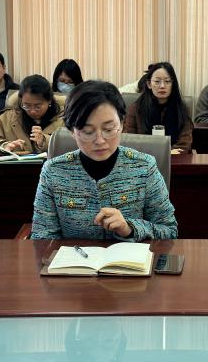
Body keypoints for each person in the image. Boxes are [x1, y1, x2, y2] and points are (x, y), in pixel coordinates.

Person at [31, 80, 178, 241]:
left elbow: (169, 231)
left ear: (121, 124)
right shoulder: (53, 172)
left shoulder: (144, 167)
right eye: (87, 131)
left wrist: (130, 229)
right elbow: (42, 238)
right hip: (74, 257)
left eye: (108, 129)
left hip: (129, 257)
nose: (100, 140)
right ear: (72, 131)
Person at [0, 74, 64, 158]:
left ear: (49, 101)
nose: (32, 111)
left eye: (38, 106)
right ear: (21, 100)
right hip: (15, 167)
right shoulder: (7, 118)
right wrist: (4, 146)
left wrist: (45, 141)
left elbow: (71, 147)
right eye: (26, 105)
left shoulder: (64, 119)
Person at [123, 62, 193, 153]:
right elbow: (129, 141)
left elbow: (184, 143)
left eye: (167, 81)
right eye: (157, 81)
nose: (162, 86)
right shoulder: (135, 109)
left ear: (173, 84)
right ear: (149, 84)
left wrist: (168, 154)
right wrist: (161, 153)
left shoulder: (182, 109)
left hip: (175, 159)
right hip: (143, 159)